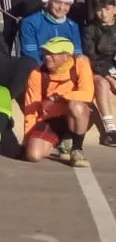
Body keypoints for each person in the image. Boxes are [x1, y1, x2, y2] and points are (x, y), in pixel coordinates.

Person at [23, 38, 94, 167]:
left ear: (66, 56)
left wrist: (55, 98)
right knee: (33, 155)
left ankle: (76, 149)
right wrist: (26, 138)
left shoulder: (80, 65)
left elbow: (87, 94)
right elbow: (30, 109)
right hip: (50, 119)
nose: (47, 57)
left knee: (76, 105)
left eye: (52, 54)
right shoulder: (36, 74)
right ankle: (62, 142)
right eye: (45, 53)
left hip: (77, 116)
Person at [20, 0, 84, 64]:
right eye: (57, 2)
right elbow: (31, 55)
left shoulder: (73, 26)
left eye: (67, 4)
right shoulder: (30, 22)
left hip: (66, 70)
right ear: (48, 2)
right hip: (40, 69)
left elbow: (77, 53)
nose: (61, 8)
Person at [87, 0, 116, 146]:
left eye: (107, 8)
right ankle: (110, 130)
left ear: (114, 9)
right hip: (98, 68)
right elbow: (92, 57)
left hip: (113, 67)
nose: (103, 13)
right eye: (99, 10)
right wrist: (110, 77)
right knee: (103, 84)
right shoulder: (91, 28)